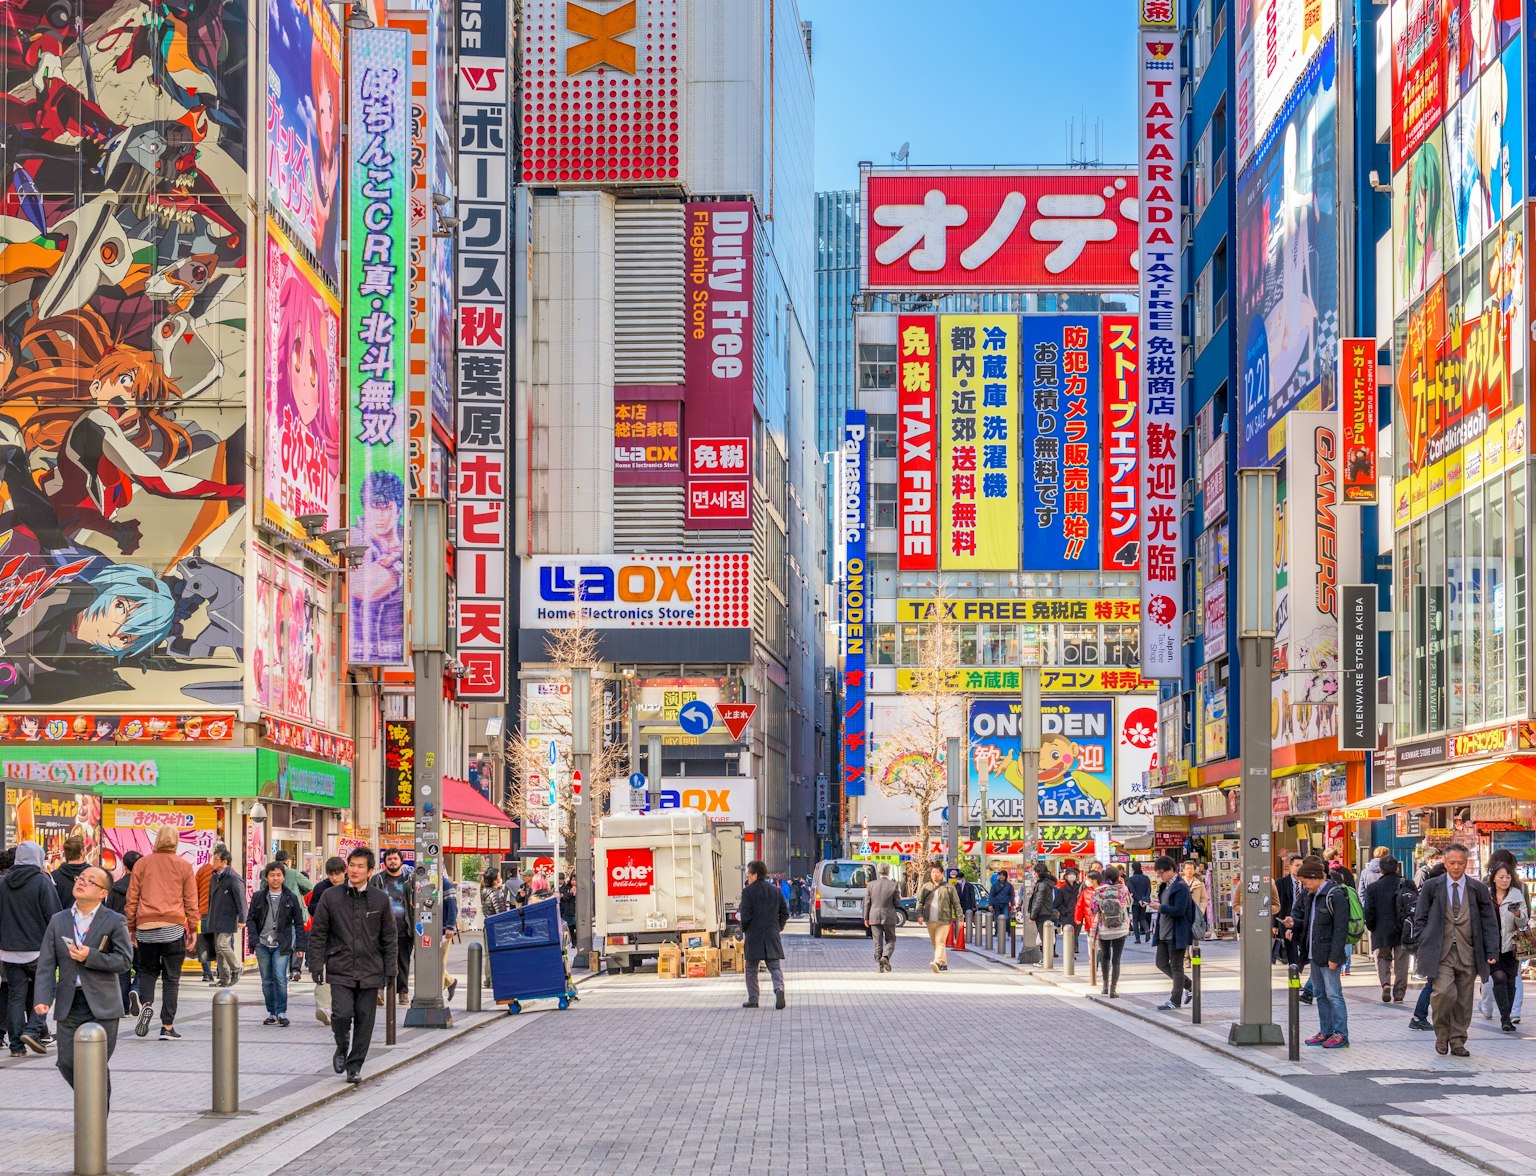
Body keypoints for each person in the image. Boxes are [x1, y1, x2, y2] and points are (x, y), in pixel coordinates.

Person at [34, 866, 132, 1107]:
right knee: (66, 1062)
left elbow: (124, 961)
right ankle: (92, 1107)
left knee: (96, 1063)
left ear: (103, 893)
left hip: (103, 1004)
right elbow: (46, 963)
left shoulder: (114, 920)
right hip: (69, 1002)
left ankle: (96, 1116)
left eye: (90, 881)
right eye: (81, 878)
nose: (81, 882)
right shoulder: (59, 920)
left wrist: (91, 955)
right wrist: (42, 997)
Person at [309, 848, 396, 1082]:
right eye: (352, 865)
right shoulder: (331, 897)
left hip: (370, 968)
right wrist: (316, 964)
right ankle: (341, 1043)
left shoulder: (380, 899)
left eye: (360, 866)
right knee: (341, 1015)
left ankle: (355, 1065)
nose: (355, 870)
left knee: (365, 1019)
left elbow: (389, 937)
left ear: (370, 871)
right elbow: (318, 933)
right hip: (340, 966)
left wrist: (391, 970)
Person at [1410, 843, 1500, 1056]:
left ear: (1467, 863)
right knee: (1443, 993)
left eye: (1460, 863)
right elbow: (1420, 917)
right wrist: (1424, 939)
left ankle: (1458, 1039)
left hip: (1469, 951)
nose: (1456, 867)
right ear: (1445, 862)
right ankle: (1442, 1035)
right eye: (1452, 863)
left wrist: (1491, 951)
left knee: (1464, 999)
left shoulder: (1477, 889)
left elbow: (1489, 922)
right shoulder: (1432, 887)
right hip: (1440, 952)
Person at [125, 825, 199, 1040]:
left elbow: (132, 898)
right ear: (176, 841)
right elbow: (190, 900)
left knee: (147, 971)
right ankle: (167, 1026)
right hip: (173, 929)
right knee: (171, 979)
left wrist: (131, 927)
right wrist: (193, 928)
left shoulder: (142, 864)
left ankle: (146, 1003)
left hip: (145, 928)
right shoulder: (184, 866)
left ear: (156, 840)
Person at [0, 841, 61, 1056]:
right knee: (47, 989)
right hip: (38, 950)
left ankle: (16, 1046)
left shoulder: (3, 882)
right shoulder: (42, 882)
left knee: (16, 996)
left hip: (8, 951)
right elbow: (54, 916)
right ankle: (33, 1029)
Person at [1295, 855, 1351, 1048]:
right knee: (1320, 994)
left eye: (1305, 882)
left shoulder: (1335, 895)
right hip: (1315, 954)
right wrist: (1294, 924)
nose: (1304, 886)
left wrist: (1335, 957)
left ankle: (1341, 1034)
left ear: (1314, 877)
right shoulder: (1312, 896)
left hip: (1329, 956)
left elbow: (1340, 929)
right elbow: (1309, 924)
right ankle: (1325, 1031)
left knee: (1334, 994)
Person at [248, 861, 304, 1026]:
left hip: (281, 944)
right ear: (266, 877)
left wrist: (300, 946)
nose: (275, 878)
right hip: (262, 944)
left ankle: (281, 1012)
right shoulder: (259, 896)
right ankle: (271, 1012)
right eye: (272, 875)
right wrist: (254, 940)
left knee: (280, 978)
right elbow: (250, 918)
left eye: (279, 875)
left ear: (284, 877)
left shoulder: (290, 897)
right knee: (266, 980)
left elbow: (298, 923)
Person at [1484, 862, 1528, 1033]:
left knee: (1510, 981)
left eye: (1508, 877)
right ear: (1494, 878)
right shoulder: (1486, 895)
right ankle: (1505, 1017)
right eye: (1501, 877)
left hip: (1511, 946)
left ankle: (1507, 1017)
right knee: (1499, 977)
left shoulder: (1516, 894)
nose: (1504, 880)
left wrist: (1517, 914)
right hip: (1492, 945)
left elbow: (1523, 921)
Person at [738, 860, 788, 1008]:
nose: (748, 876)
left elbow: (745, 915)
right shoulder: (775, 891)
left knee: (751, 968)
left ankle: (753, 999)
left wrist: (745, 928)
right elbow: (784, 913)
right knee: (775, 967)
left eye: (749, 873)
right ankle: (779, 989)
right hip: (772, 934)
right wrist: (778, 927)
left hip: (754, 935)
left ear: (755, 874)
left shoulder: (748, 892)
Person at [369, 849, 416, 1005]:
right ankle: (379, 991)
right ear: (385, 862)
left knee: (403, 962)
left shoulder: (410, 879)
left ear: (401, 861)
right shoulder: (377, 880)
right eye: (389, 859)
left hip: (404, 928)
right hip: (382, 929)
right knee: (381, 961)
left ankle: (403, 992)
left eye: (395, 858)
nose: (393, 861)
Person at [1147, 855, 1194, 1010]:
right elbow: (1165, 906)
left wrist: (1160, 907)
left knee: (1176, 966)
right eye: (1158, 873)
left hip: (1176, 933)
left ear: (1171, 870)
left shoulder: (1181, 887)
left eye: (1161, 873)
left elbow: (1180, 910)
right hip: (1163, 932)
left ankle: (1175, 1000)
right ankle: (1189, 985)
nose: (1159, 876)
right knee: (1161, 963)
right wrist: (1156, 905)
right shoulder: (1165, 887)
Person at [1362, 856, 1411, 1004]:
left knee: (1383, 958)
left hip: (1381, 929)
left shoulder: (1373, 888)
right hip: (1403, 929)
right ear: (1397, 868)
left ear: (1381, 869)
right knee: (1402, 962)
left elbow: (1368, 910)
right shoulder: (1407, 884)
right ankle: (1399, 994)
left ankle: (1385, 983)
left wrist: (1371, 926)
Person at [205, 845, 248, 991]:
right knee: (218, 949)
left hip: (228, 918)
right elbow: (210, 899)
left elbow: (241, 899)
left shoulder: (233, 878)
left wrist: (242, 918)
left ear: (225, 862)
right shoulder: (214, 877)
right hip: (215, 917)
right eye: (213, 858)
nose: (213, 861)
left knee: (223, 944)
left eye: (216, 859)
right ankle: (224, 978)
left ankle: (237, 967)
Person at [105, 850, 140, 1008]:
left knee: (123, 968)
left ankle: (124, 1006)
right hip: (140, 931)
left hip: (119, 931)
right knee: (144, 966)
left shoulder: (116, 886)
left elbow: (108, 910)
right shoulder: (144, 886)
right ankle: (136, 989)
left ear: (124, 866)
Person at [1091, 866, 1133, 997]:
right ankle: (1113, 990)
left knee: (1105, 957)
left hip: (1104, 928)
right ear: (1118, 876)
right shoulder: (1123, 889)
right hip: (1121, 928)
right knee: (1116, 959)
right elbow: (1129, 902)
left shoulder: (1099, 890)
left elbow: (1093, 908)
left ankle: (1104, 987)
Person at [915, 864, 962, 973]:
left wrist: (960, 918)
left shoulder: (949, 887)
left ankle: (937, 962)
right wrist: (919, 915)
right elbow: (920, 902)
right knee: (935, 943)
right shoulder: (926, 886)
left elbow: (956, 904)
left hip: (944, 920)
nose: (934, 874)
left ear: (942, 874)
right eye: (933, 872)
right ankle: (943, 963)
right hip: (930, 920)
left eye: (936, 872)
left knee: (940, 941)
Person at [274, 849, 312, 980]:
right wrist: (298, 893)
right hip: (293, 914)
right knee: (294, 943)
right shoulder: (293, 873)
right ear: (288, 861)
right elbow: (309, 886)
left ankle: (281, 972)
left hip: (274, 915)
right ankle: (293, 971)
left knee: (278, 944)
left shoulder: (266, 873)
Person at [863, 863, 902, 972]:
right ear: (888, 871)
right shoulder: (893, 885)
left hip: (874, 916)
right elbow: (897, 902)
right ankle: (885, 956)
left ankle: (879, 965)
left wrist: (866, 917)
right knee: (891, 939)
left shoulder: (871, 885)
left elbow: (867, 902)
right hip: (888, 916)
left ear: (878, 871)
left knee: (877, 941)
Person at [1275, 854, 1304, 964]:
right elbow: (1274, 904)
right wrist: (1274, 925)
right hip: (1286, 921)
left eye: (1301, 865)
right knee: (1291, 952)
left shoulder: (1306, 883)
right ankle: (1294, 970)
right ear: (1290, 867)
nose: (1299, 868)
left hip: (1302, 921)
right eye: (1297, 865)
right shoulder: (1280, 883)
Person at [193, 852, 218, 983]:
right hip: (221, 913)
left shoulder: (202, 870)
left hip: (204, 911)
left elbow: (194, 891)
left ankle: (207, 973)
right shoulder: (229, 870)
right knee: (223, 942)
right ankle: (222, 971)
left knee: (204, 943)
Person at [1075, 870, 1101, 985]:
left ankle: (1100, 963)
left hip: (1102, 923)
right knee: (1092, 945)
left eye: (1088, 879)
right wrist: (1078, 918)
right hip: (1090, 924)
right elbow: (1079, 906)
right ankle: (1093, 965)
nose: (1086, 881)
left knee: (1101, 946)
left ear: (1094, 880)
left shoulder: (1103, 890)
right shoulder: (1085, 892)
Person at [51, 835, 90, 913]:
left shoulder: (53, 876)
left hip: (61, 919)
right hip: (89, 919)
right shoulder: (94, 875)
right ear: (81, 852)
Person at [1053, 867, 1083, 956]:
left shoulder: (1080, 888)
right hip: (1066, 916)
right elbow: (1058, 903)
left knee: (1076, 933)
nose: (1071, 876)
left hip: (1077, 915)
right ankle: (1070, 953)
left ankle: (1073, 950)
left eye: (1073, 874)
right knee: (1068, 934)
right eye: (1070, 874)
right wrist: (1065, 912)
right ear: (1066, 876)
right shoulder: (1062, 889)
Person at [1027, 863, 1056, 953]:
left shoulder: (1042, 884)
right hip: (1046, 912)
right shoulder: (1047, 883)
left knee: (1044, 938)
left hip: (1041, 913)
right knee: (1045, 937)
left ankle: (1046, 957)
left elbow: (1038, 902)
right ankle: (1046, 957)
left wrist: (1032, 916)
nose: (1034, 874)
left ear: (1038, 872)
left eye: (1035, 872)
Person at [1182, 859, 1209, 940]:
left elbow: (1204, 899)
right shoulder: (1178, 883)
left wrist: (1201, 910)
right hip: (1181, 912)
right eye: (1187, 868)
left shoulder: (1200, 884)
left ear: (1194, 871)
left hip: (1195, 913)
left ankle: (1193, 947)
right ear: (1183, 870)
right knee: (1183, 935)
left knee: (1195, 934)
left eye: (1191, 869)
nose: (1189, 871)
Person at [987, 868, 1015, 945]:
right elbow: (991, 895)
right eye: (1000, 875)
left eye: (1003, 875)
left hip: (1005, 903)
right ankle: (998, 933)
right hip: (996, 904)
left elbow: (1011, 895)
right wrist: (990, 905)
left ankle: (1006, 932)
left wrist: (1012, 904)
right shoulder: (994, 885)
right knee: (997, 919)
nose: (1001, 877)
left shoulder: (1009, 885)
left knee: (1006, 918)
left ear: (1006, 877)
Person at [1127, 862, 1152, 943]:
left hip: (1135, 902)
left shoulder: (1131, 879)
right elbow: (1149, 889)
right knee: (1142, 918)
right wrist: (1145, 900)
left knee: (1135, 919)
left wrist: (1138, 900)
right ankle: (1147, 930)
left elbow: (1132, 891)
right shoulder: (1146, 878)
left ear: (1133, 869)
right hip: (1144, 902)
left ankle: (1137, 939)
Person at [557, 872, 577, 942]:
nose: (573, 882)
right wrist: (570, 892)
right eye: (572, 880)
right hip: (568, 911)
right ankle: (572, 942)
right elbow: (565, 898)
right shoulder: (567, 888)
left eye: (575, 880)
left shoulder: (581, 888)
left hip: (577, 911)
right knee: (570, 928)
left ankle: (575, 941)